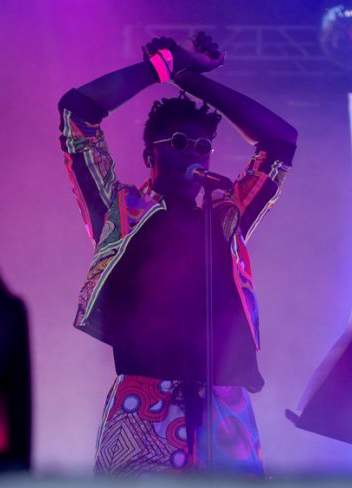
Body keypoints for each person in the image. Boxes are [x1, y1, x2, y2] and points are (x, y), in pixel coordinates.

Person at [57, 33, 298, 476]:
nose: (195, 153)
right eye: (180, 142)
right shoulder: (120, 213)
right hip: (143, 405)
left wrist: (191, 80)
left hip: (225, 407)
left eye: (203, 146)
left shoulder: (226, 218)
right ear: (149, 154)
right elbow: (77, 113)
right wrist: (162, 68)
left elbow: (281, 142)